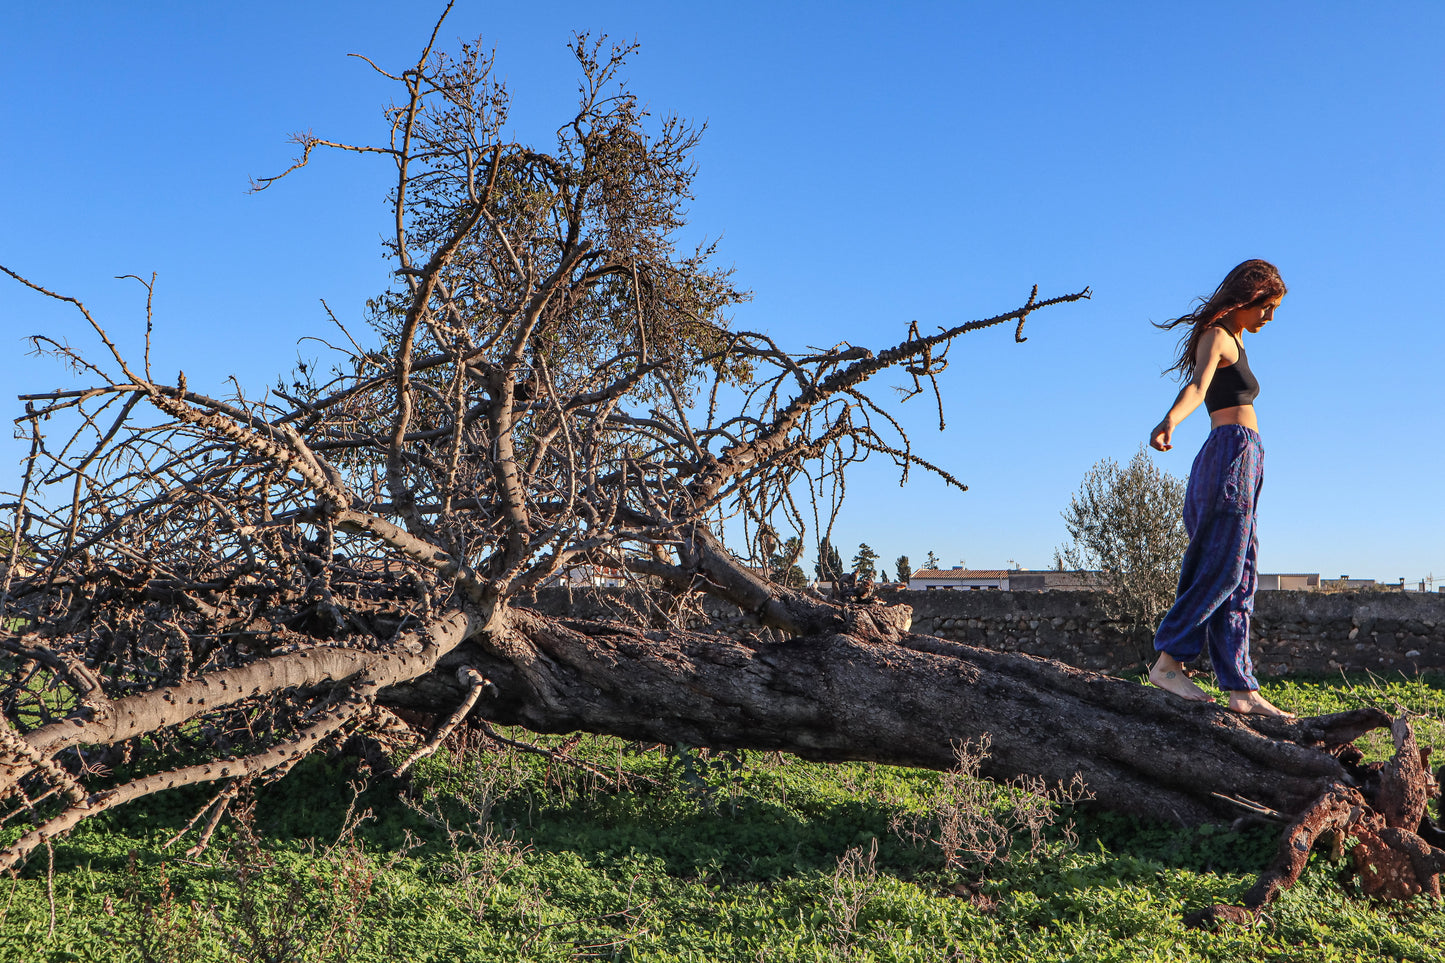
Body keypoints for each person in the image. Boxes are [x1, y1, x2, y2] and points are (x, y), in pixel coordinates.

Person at [1147, 259, 1294, 718]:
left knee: (1243, 571)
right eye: (1265, 307)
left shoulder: (1238, 338)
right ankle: (1169, 661)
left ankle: (1239, 687)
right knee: (1221, 564)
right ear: (1246, 299)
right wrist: (1171, 419)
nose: (1269, 317)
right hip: (1229, 453)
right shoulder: (1216, 337)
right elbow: (1197, 386)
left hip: (1247, 456)